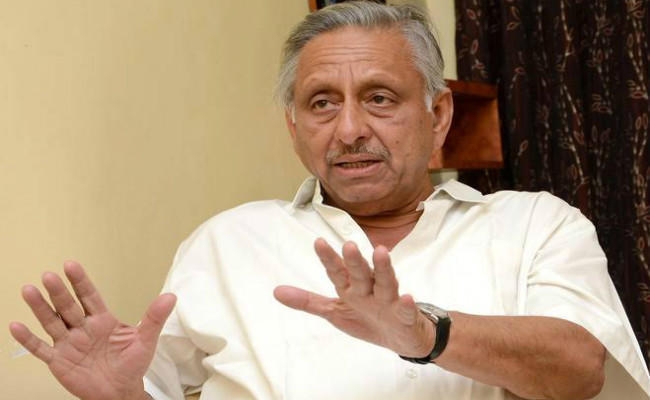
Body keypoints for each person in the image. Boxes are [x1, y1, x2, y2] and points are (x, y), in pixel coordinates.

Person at [8, 2, 650, 399]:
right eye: (321, 103)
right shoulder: (226, 242)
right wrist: (119, 397)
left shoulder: (535, 224)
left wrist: (424, 333)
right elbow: (157, 389)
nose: (348, 130)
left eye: (379, 98)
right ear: (294, 126)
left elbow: (584, 370)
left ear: (438, 115)